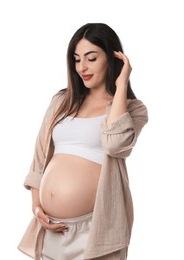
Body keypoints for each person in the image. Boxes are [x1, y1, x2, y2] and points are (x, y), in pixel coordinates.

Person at [18, 23, 148, 260]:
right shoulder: (61, 102)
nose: (82, 67)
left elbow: (115, 145)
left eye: (91, 58)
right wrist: (37, 206)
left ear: (112, 58)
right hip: (51, 230)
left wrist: (120, 86)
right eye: (77, 59)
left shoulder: (132, 110)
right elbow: (38, 158)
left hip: (95, 231)